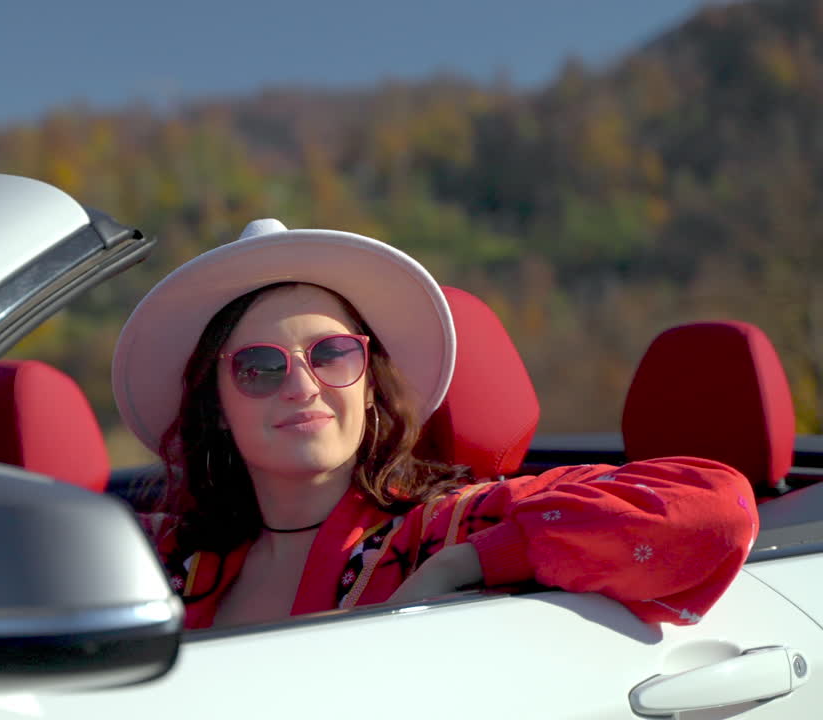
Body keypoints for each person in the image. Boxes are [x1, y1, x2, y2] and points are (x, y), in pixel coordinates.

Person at [111, 219, 758, 630]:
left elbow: (715, 506)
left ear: (371, 388)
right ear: (217, 409)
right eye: (259, 367)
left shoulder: (443, 527)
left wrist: (467, 563)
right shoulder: (155, 556)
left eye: (332, 354)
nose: (302, 385)